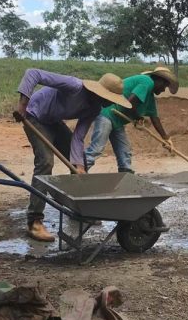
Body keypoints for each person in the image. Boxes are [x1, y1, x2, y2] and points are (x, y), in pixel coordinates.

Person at [15, 69, 131, 242]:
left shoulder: (94, 108)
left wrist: (79, 167)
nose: (109, 103)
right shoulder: (73, 85)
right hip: (35, 115)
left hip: (54, 121)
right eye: (109, 99)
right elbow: (33, 74)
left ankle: (79, 210)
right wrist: (23, 105)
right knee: (45, 162)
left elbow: (78, 137)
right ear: (101, 93)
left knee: (80, 162)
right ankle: (35, 221)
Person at [84, 66, 179, 172]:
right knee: (97, 148)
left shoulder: (150, 96)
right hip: (108, 113)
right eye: (164, 86)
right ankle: (78, 170)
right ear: (160, 81)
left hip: (117, 120)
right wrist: (137, 117)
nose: (163, 90)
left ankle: (126, 175)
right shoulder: (147, 82)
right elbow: (129, 103)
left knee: (124, 151)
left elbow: (155, 118)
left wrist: (166, 138)